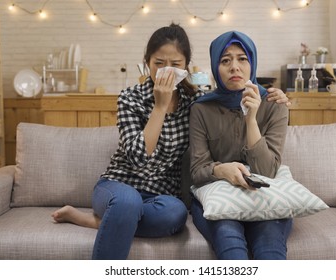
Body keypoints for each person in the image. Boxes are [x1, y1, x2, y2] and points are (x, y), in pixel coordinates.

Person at [51, 24, 289, 260]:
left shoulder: (194, 102)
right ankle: (116, 220)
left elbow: (229, 95)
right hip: (120, 184)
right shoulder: (130, 98)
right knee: (127, 203)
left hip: (162, 197)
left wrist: (273, 94)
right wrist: (160, 106)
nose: (167, 71)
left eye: (175, 65)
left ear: (186, 67)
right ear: (147, 63)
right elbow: (137, 158)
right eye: (159, 64)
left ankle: (102, 221)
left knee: (175, 215)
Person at [189, 30, 292, 260]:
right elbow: (197, 171)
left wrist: (251, 118)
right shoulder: (201, 109)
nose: (234, 66)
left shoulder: (275, 104)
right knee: (231, 247)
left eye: (242, 58)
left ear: (252, 63)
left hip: (265, 199)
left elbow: (267, 172)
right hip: (217, 198)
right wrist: (220, 170)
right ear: (216, 67)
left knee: (270, 251)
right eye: (225, 60)